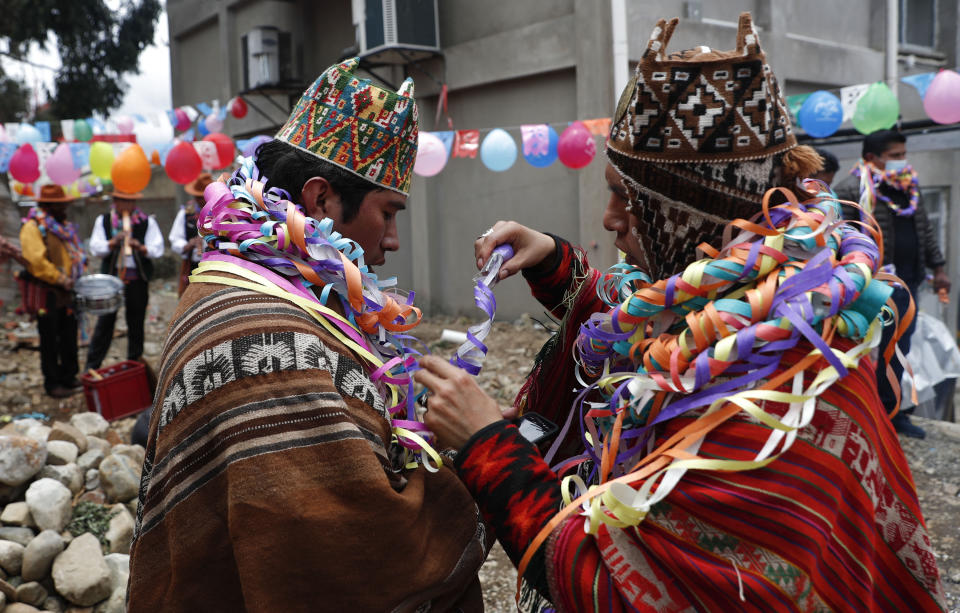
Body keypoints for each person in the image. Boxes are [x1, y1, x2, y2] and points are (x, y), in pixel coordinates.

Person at [415, 14, 946, 611]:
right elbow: (624, 324)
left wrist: (489, 443)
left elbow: (616, 591)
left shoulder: (767, 402)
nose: (609, 218)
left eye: (626, 197)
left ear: (685, 218)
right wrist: (551, 261)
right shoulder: (748, 296)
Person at [127, 58, 490, 612]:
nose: (392, 240)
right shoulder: (260, 329)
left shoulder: (249, 283)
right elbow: (349, 549)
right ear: (320, 201)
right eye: (387, 213)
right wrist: (486, 457)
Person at [834, 130, 949, 438]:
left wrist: (938, 268)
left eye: (903, 154)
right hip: (872, 287)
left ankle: (892, 414)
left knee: (897, 350)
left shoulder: (909, 186)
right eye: (895, 156)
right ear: (872, 158)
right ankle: (858, 413)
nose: (902, 161)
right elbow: (841, 240)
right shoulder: (851, 189)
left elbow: (924, 229)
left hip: (908, 284)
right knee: (864, 349)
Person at [84, 188, 164, 372]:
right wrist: (113, 242)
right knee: (105, 322)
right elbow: (96, 248)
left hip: (137, 279)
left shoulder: (146, 221)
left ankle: (134, 364)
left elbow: (157, 248)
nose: (127, 205)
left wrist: (140, 247)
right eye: (122, 201)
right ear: (115, 201)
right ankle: (92, 367)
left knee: (136, 322)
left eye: (130, 201)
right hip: (111, 281)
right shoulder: (103, 220)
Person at [19, 185, 86, 398]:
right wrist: (60, 278)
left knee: (68, 334)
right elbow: (36, 262)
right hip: (47, 291)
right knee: (49, 338)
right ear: (48, 205)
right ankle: (53, 383)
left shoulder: (62, 227)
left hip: (67, 290)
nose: (65, 207)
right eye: (61, 204)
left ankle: (69, 376)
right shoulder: (32, 227)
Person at [169, 173, 211, 296]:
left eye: (202, 197)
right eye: (197, 197)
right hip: (193, 265)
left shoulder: (221, 212)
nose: (199, 200)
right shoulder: (186, 213)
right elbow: (175, 238)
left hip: (215, 265)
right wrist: (189, 244)